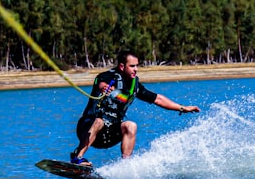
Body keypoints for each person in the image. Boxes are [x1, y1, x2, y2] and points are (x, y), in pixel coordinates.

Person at [71, 51, 200, 166]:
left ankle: (125, 167)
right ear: (122, 66)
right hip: (87, 129)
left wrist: (182, 108)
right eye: (132, 66)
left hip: (108, 135)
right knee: (99, 121)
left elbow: (158, 99)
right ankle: (78, 157)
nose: (136, 69)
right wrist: (104, 88)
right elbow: (101, 83)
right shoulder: (107, 77)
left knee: (131, 125)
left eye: (137, 66)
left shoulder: (135, 85)